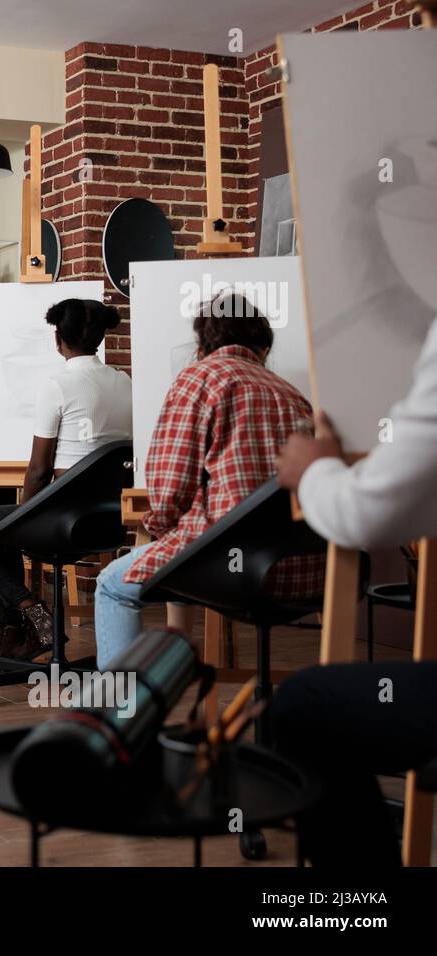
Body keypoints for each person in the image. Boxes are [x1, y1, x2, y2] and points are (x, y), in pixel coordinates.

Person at [268, 317, 437, 866]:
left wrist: (315, 471)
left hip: (244, 566)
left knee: (302, 708)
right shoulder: (287, 392)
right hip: (307, 571)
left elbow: (368, 512)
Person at [94, 292, 321, 668]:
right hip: (302, 571)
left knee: (112, 586)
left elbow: (169, 493)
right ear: (262, 345)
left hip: (230, 568)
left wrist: (163, 530)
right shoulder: (293, 395)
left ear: (204, 342)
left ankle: (122, 718)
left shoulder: (199, 379)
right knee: (185, 542)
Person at [0, 298, 130, 673]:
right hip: (108, 522)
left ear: (57, 340)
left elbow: (38, 469)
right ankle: (15, 638)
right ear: (98, 337)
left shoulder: (59, 385)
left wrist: (23, 521)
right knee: (2, 533)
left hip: (62, 519)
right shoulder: (124, 383)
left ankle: (33, 612)